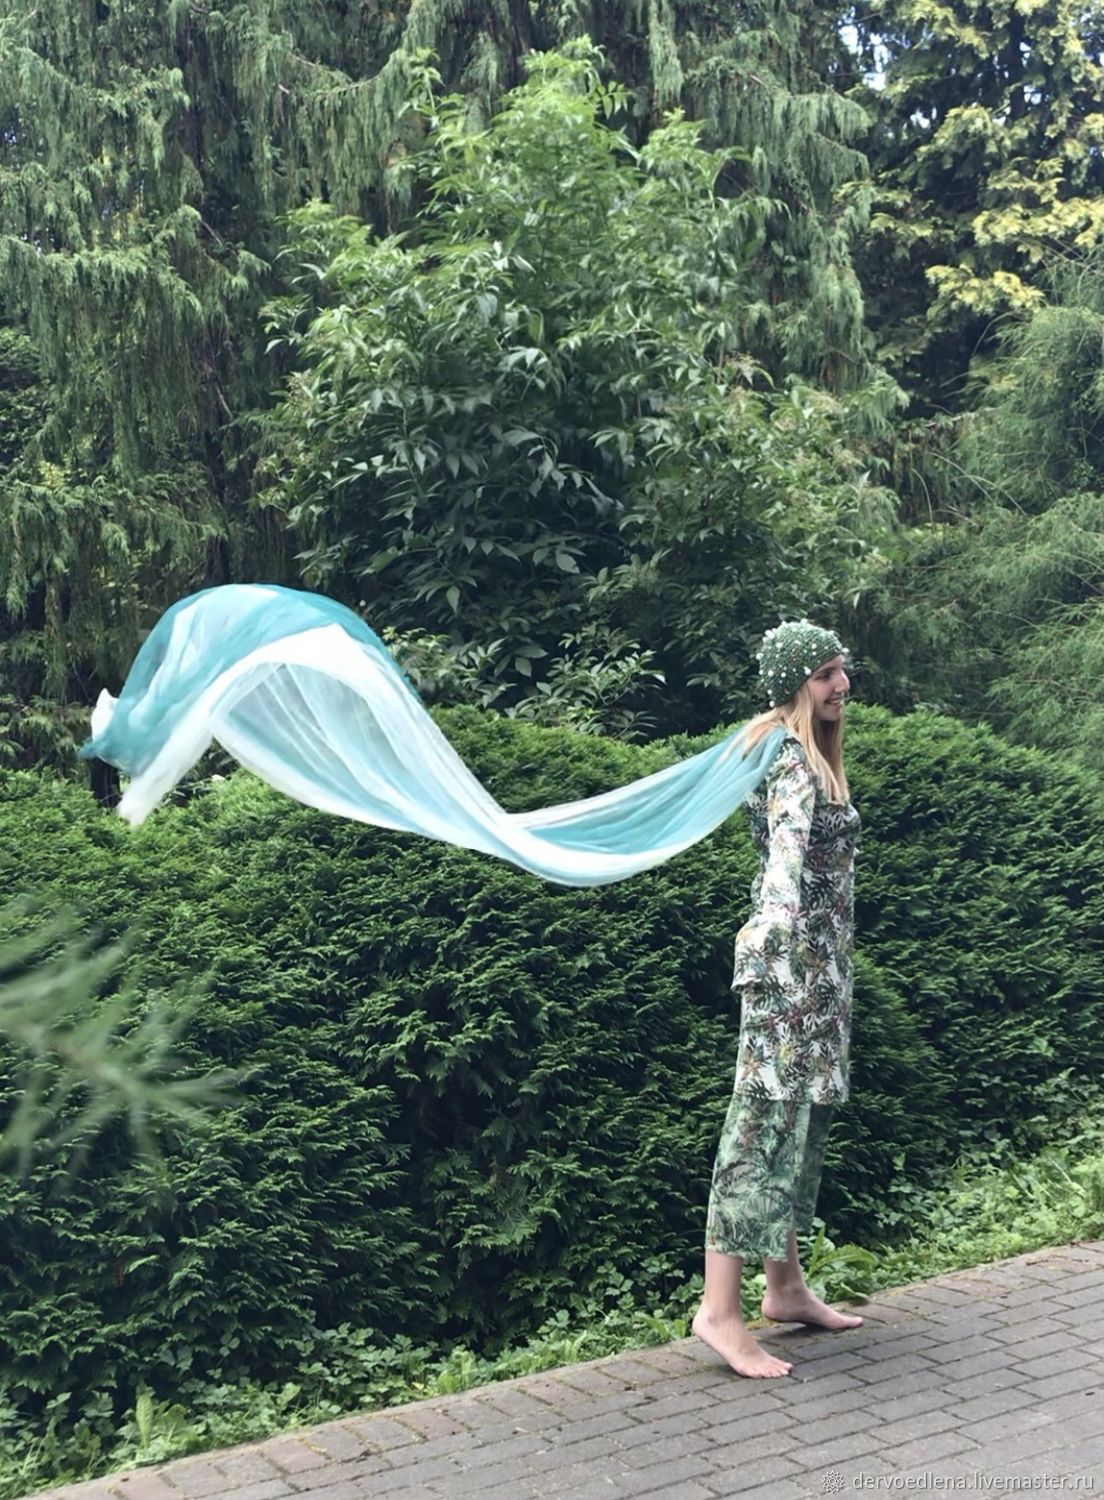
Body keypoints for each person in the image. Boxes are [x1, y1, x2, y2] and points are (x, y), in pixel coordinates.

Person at [692, 621, 864, 1378]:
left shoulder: (804, 754)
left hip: (818, 978)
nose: (842, 685)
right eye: (826, 674)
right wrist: (770, 943)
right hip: (789, 977)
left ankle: (786, 1288)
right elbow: (785, 860)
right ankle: (718, 1312)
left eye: (841, 670)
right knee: (758, 1132)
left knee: (796, 1127)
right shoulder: (790, 760)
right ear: (795, 684)